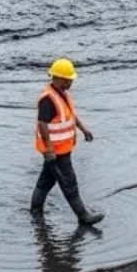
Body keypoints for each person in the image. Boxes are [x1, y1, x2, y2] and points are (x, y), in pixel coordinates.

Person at [31, 58, 104, 225]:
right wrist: (49, 148)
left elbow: (70, 115)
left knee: (46, 180)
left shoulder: (63, 94)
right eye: (66, 80)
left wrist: (83, 128)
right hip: (55, 152)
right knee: (68, 182)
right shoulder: (48, 99)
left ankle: (35, 210)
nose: (69, 83)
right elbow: (42, 124)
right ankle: (83, 216)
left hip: (62, 149)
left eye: (70, 80)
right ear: (56, 78)